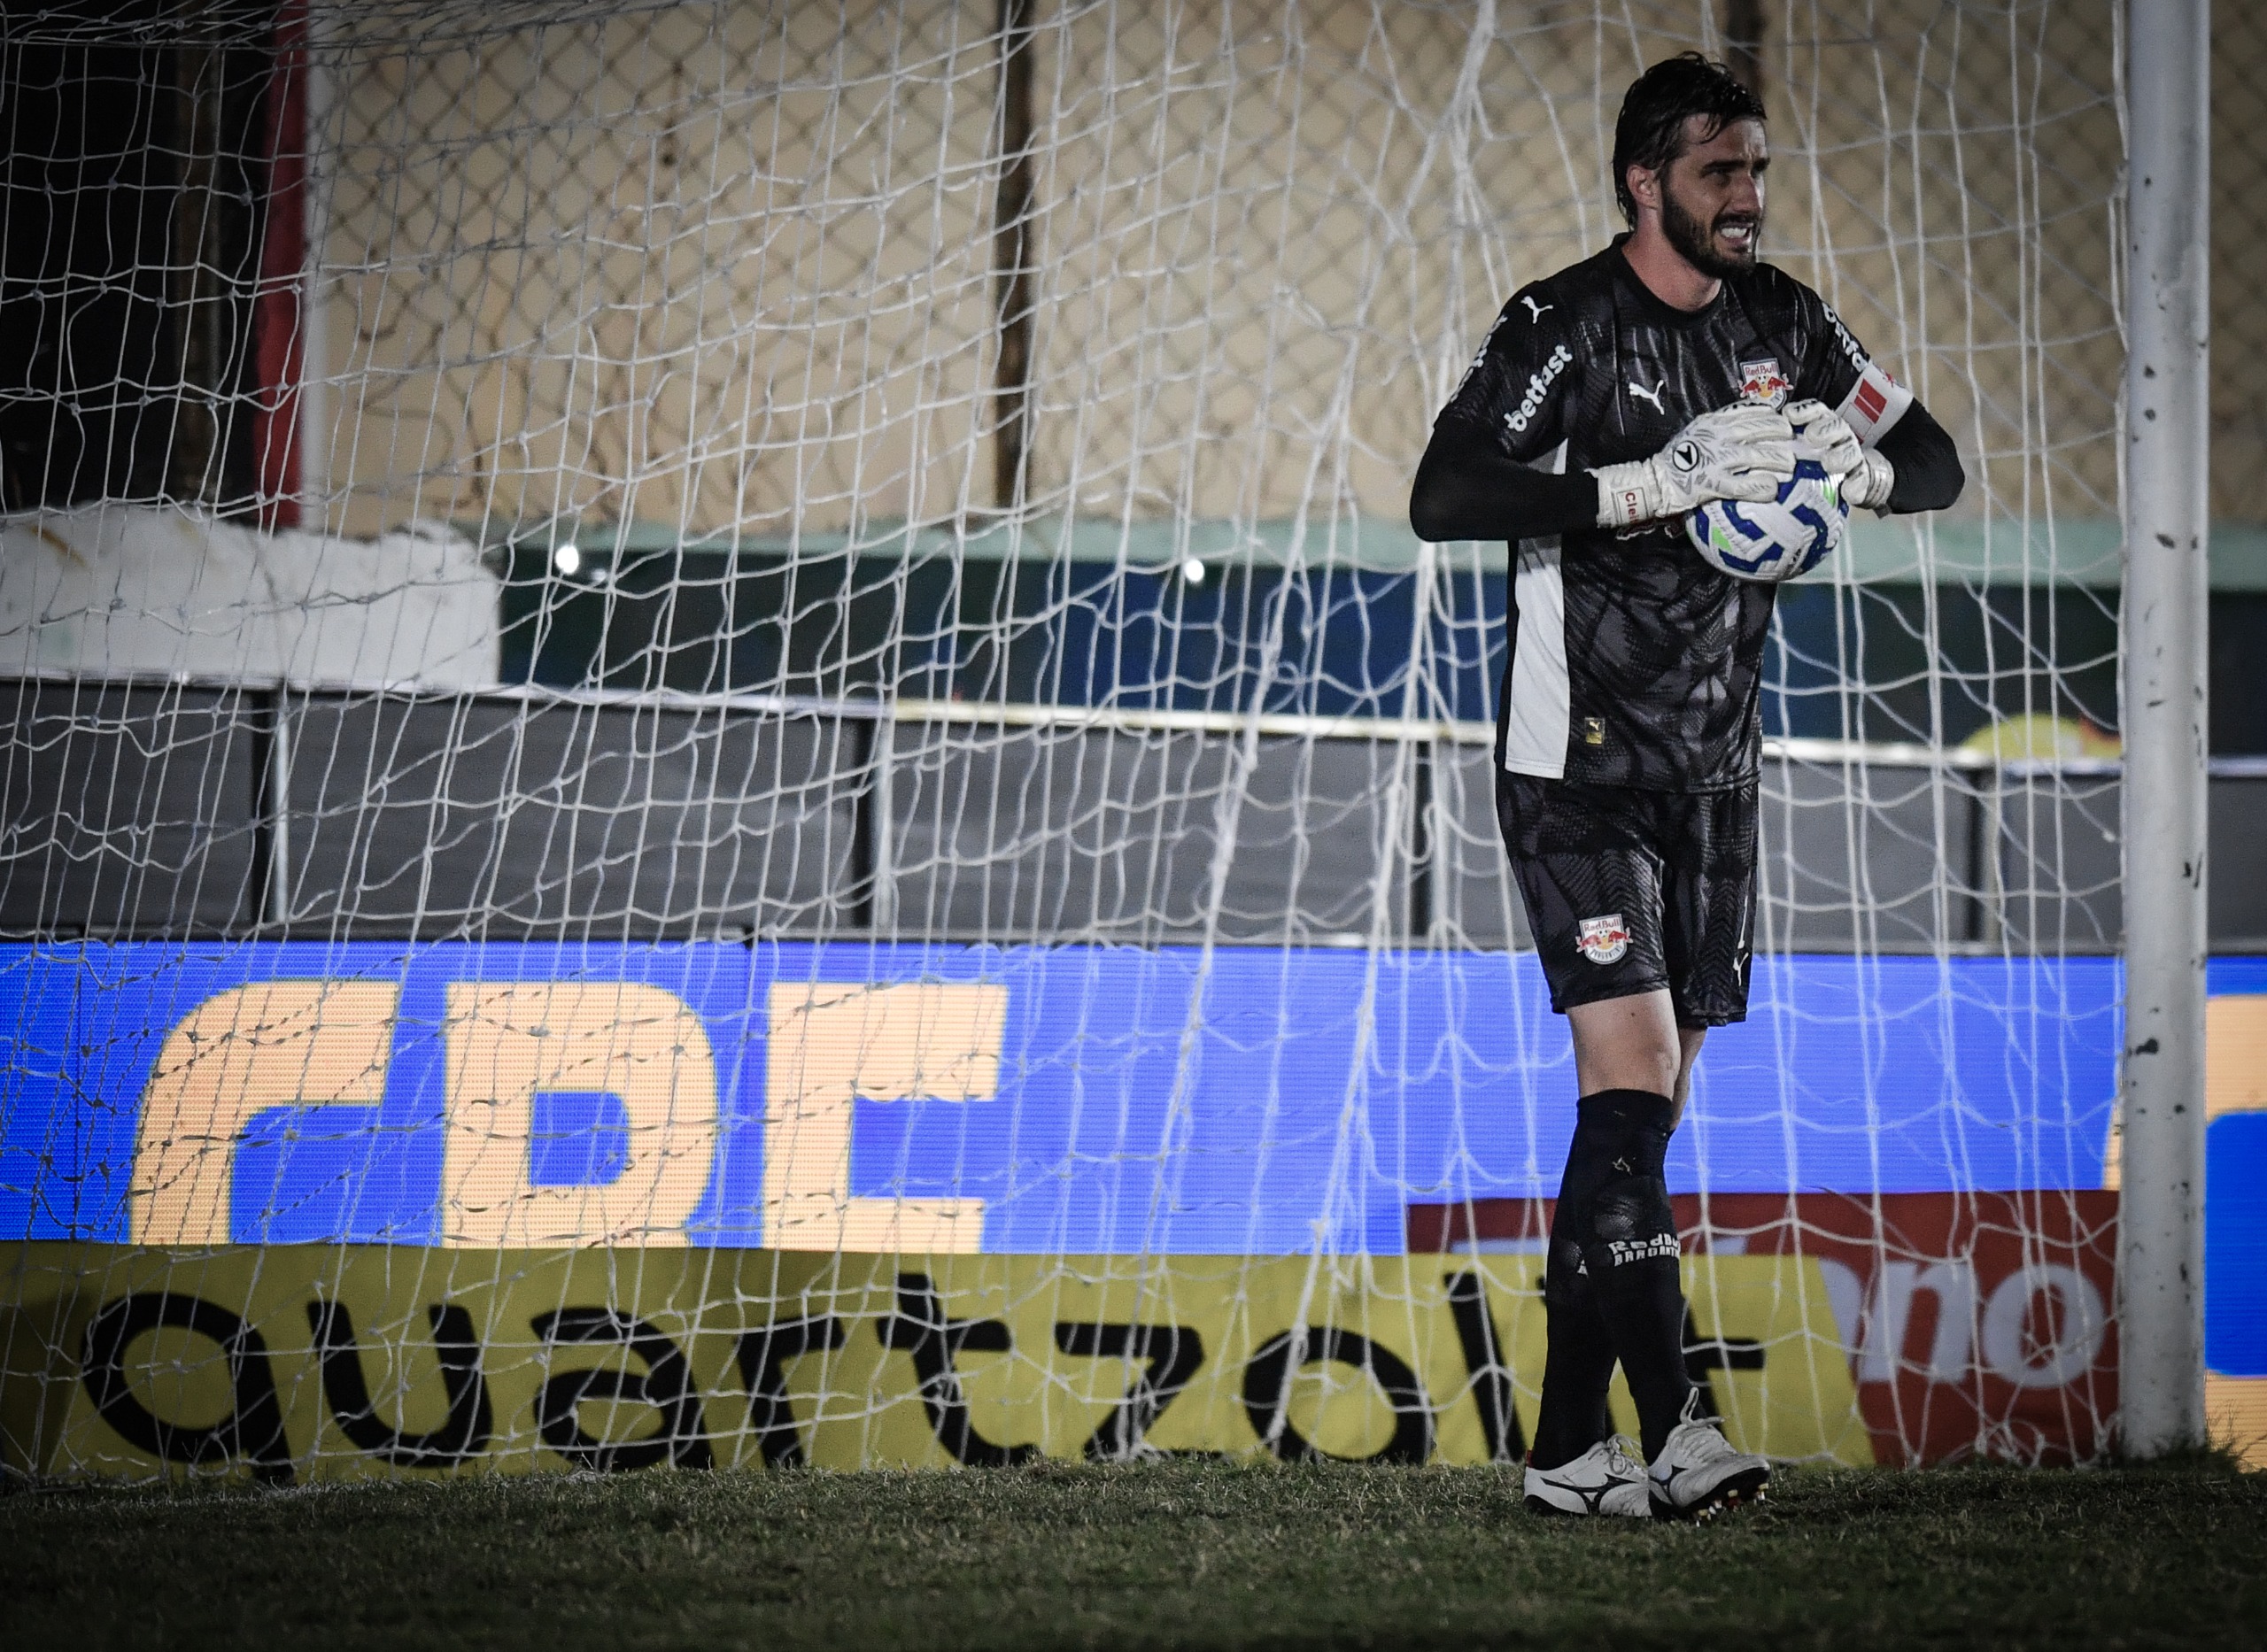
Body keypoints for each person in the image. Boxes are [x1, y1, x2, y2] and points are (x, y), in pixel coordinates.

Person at [1408, 52, 1963, 1521]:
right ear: (1645, 181)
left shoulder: (1784, 318)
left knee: (1635, 1128)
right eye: (1721, 173)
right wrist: (1641, 484)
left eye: (1759, 171)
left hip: (1715, 771)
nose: (1750, 198)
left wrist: (1858, 468)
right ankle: (1679, 1432)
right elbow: (1446, 490)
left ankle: (1564, 1453)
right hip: (1577, 763)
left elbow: (1936, 456)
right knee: (1630, 1086)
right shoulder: (1564, 323)